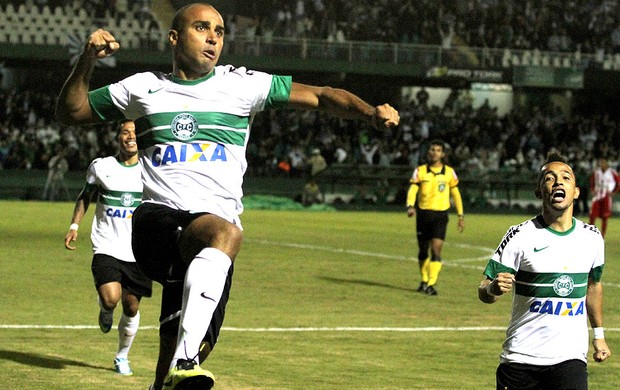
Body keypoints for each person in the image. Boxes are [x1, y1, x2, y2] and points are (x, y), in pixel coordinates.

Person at [54, 3, 400, 389]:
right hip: (158, 222)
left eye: (219, 31)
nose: (213, 37)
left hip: (206, 241)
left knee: (188, 341)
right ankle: (185, 362)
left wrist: (370, 112)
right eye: (201, 28)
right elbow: (73, 111)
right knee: (226, 235)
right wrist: (87, 60)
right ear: (174, 38)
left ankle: (176, 368)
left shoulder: (240, 84)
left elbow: (319, 95)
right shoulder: (142, 87)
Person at [478, 153, 611, 390]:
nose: (558, 182)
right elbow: (484, 291)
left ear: (576, 191)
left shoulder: (592, 238)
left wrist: (599, 336)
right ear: (540, 192)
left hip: (570, 359)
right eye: (550, 178)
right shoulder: (519, 236)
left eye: (565, 178)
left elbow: (594, 286)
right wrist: (492, 288)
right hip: (521, 360)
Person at [64, 120, 152, 376]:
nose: (130, 137)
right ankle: (105, 310)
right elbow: (85, 195)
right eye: (125, 132)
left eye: (135, 133)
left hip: (139, 250)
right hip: (107, 246)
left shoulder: (151, 170)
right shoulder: (102, 167)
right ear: (118, 138)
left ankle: (121, 357)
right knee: (111, 298)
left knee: (132, 306)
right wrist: (74, 226)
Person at [406, 139, 464, 296]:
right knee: (423, 250)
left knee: (436, 248)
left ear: (443, 154)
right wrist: (410, 205)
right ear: (428, 152)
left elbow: (456, 194)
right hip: (423, 214)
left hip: (440, 215)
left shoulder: (449, 172)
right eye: (432, 150)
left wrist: (460, 215)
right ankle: (424, 280)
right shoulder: (420, 171)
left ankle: (431, 283)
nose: (435, 153)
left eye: (438, 150)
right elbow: (412, 189)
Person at [588, 157, 620, 237]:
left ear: (607, 163)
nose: (601, 164)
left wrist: (614, 192)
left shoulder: (612, 172)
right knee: (592, 215)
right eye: (600, 162)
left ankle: (602, 236)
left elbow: (618, 182)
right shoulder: (597, 172)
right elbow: (592, 181)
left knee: (604, 217)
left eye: (603, 162)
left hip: (607, 196)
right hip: (597, 196)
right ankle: (589, 234)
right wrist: (592, 190)